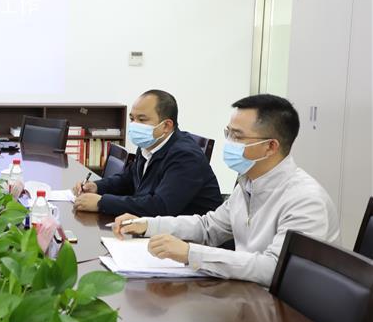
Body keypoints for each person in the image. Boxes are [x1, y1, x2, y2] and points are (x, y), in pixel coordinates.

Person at [113, 94, 339, 287]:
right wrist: (147, 225)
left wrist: (190, 253)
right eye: (228, 133)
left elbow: (275, 268)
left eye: (238, 136)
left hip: (288, 312)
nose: (229, 142)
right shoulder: (248, 183)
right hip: (246, 293)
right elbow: (208, 227)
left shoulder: (305, 200)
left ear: (271, 146)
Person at [73, 89, 223, 216]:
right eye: (132, 118)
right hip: (156, 227)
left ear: (166, 126)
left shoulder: (186, 157)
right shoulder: (150, 143)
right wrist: (97, 187)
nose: (134, 125)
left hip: (189, 236)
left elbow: (161, 207)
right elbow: (129, 179)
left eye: (142, 120)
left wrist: (102, 202)